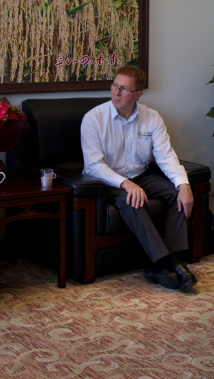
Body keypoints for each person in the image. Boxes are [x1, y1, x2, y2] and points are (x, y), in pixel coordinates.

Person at [80, 66, 198, 292]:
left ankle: (166, 263)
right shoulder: (93, 119)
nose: (116, 92)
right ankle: (169, 263)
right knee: (131, 200)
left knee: (177, 193)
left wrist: (183, 184)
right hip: (107, 181)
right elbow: (93, 165)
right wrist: (125, 184)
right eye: (115, 85)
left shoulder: (151, 118)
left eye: (123, 89)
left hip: (141, 175)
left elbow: (165, 156)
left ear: (138, 94)